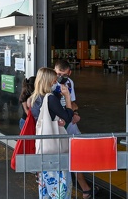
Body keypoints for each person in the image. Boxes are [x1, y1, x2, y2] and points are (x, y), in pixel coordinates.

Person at [30, 67, 76, 199]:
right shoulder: (50, 99)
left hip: (43, 148)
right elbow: (67, 116)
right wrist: (67, 96)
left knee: (46, 190)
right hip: (54, 150)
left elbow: (48, 117)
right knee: (60, 190)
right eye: (54, 80)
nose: (56, 82)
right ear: (49, 81)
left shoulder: (35, 98)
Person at [53, 60, 97, 199]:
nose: (60, 78)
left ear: (69, 73)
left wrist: (74, 113)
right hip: (55, 123)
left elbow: (71, 103)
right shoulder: (49, 83)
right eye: (57, 74)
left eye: (63, 75)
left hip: (69, 121)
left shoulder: (69, 83)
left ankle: (84, 188)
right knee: (58, 156)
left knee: (77, 152)